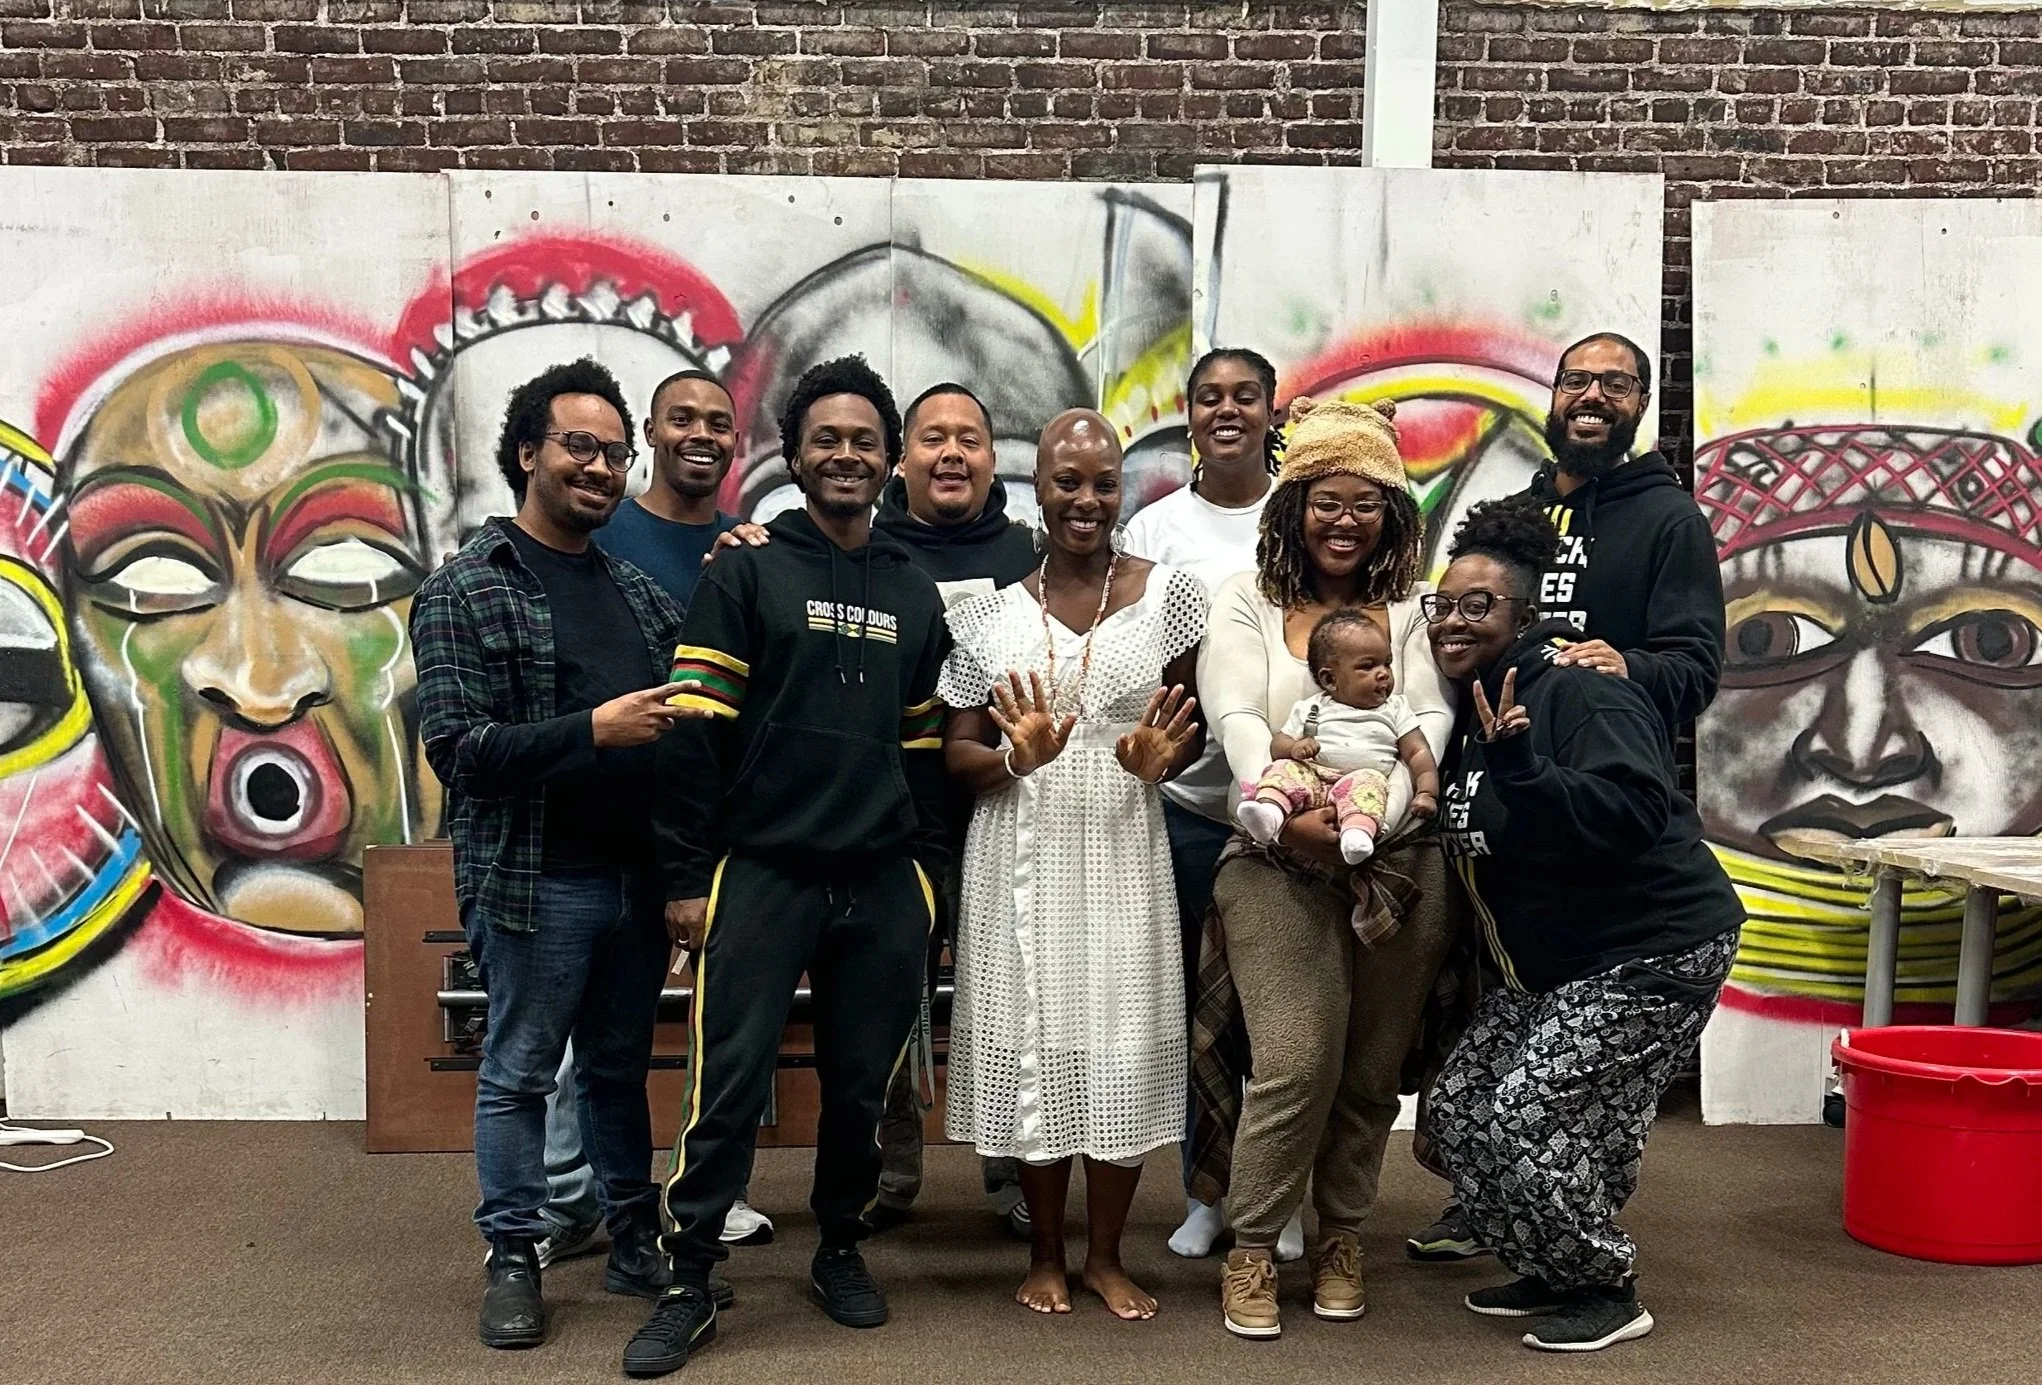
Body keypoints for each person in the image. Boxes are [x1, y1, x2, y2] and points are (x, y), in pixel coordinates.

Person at [624, 357, 950, 1378]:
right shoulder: (746, 569)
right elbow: (690, 732)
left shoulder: (911, 590)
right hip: (760, 871)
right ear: (794, 455)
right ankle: (688, 1276)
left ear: (887, 458)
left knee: (858, 1088)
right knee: (723, 1083)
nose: (845, 453)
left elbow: (927, 752)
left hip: (881, 880)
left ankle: (839, 1247)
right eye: (826, 438)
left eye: (863, 439)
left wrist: (926, 879)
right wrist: (685, 876)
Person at [1408, 331, 1726, 1263]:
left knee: (1550, 1088)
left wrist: (1620, 665)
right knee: (1482, 1073)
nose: (1591, 395)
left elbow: (1696, 666)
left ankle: (1574, 1242)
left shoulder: (1668, 523)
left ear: (1640, 403)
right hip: (1515, 821)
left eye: (1614, 384)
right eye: (1576, 379)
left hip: (1602, 802)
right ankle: (1508, 1204)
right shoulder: (1511, 514)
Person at [410, 359, 706, 1350]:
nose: (599, 465)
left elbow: (682, 748)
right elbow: (458, 750)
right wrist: (591, 730)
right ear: (527, 451)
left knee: (618, 1071)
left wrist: (679, 877)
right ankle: (512, 1255)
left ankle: (631, 1239)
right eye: (578, 445)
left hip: (632, 881)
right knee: (519, 1071)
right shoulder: (465, 588)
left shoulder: (637, 593)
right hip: (536, 881)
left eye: (615, 453)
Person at [1423, 497, 1742, 1353]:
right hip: (1556, 966)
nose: (1454, 620)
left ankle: (1604, 1283)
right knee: (1456, 1110)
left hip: (1654, 946)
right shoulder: (1473, 709)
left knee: (1527, 1114)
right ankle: (1546, 1263)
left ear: (1528, 615)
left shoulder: (1575, 690)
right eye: (1443, 605)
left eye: (1478, 605)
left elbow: (1637, 809)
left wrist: (1531, 776)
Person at [1191, 396, 1457, 1339]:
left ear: (1392, 512)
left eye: (1367, 502)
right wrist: (1287, 811)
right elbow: (1235, 713)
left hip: (1396, 860)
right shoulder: (1245, 599)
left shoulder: (1410, 613)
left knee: (1371, 1069)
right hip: (1277, 851)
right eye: (1325, 500)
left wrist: (1384, 817)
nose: (1345, 521)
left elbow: (1426, 719)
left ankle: (1342, 1234)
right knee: (1297, 1058)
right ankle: (1253, 1243)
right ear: (1292, 503)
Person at [940, 409, 1206, 1320]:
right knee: (1035, 1043)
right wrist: (1021, 756)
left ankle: (1105, 1254)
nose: (1086, 499)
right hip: (1021, 846)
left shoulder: (1171, 596)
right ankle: (1047, 1252)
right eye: (1067, 481)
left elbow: (1191, 727)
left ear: (1122, 488)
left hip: (1123, 843)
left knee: (1121, 1042)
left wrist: (1159, 758)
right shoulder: (987, 615)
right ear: (1038, 489)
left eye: (1103, 482)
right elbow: (959, 756)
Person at [534, 368, 771, 1266]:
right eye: (682, 420)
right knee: (574, 1036)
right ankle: (565, 1198)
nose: (701, 434)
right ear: (652, 436)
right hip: (600, 813)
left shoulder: (747, 544)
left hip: (705, 817)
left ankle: (698, 1190)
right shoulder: (606, 530)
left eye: (719, 421)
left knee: (704, 1022)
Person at [1118, 348, 1300, 1262]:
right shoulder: (1154, 532)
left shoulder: (1306, 512)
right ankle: (1205, 1188)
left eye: (1245, 396)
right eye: (1208, 398)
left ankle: (1281, 1193)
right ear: (1188, 415)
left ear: (1274, 410)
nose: (1226, 411)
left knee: (1286, 1010)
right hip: (1191, 812)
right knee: (1199, 1013)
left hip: (1301, 809)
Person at [868, 382, 1038, 1238]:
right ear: (902, 457)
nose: (952, 454)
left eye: (969, 437)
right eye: (932, 437)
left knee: (1005, 998)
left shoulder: (1028, 555)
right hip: (890, 818)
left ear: (991, 457)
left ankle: (1009, 1170)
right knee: (886, 994)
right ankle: (891, 1166)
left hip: (1002, 813)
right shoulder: (862, 545)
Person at [1237, 609, 1440, 868]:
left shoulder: (1395, 708)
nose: (1383, 674)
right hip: (1312, 778)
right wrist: (1295, 748)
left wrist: (1427, 792)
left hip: (1358, 779)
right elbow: (1278, 745)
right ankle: (1270, 815)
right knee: (1282, 769)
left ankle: (1356, 836)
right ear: (1330, 679)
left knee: (1371, 785)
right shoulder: (1311, 708)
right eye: (1368, 666)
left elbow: (1418, 752)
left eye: (1386, 663)